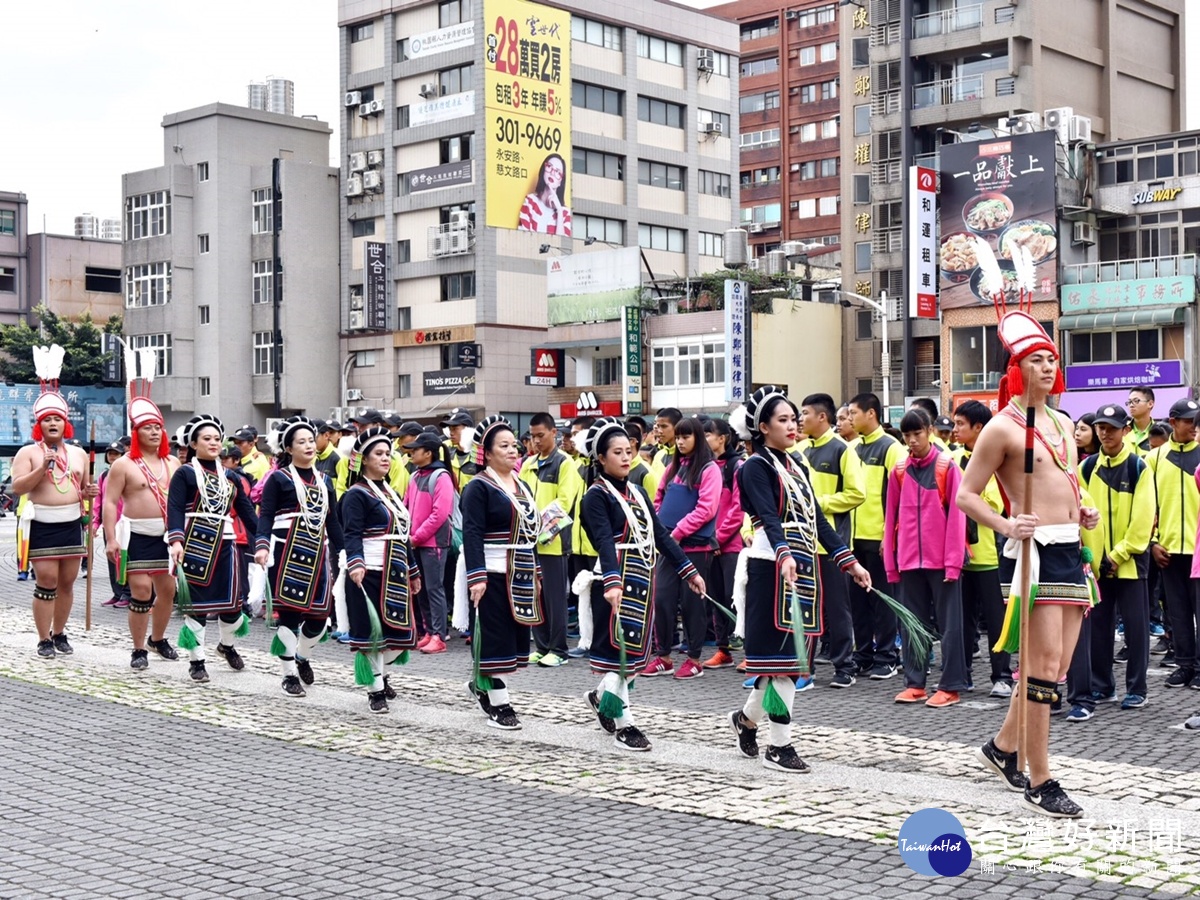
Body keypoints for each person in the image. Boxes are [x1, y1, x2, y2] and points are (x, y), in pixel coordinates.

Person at [957, 310, 1100, 818]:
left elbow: (1067, 480)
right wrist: (1004, 524)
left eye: (1050, 359)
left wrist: (1083, 509)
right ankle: (1040, 779)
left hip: (1070, 551)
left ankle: (1001, 748)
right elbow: (966, 496)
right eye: (1036, 359)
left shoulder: (1062, 422)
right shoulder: (1001, 427)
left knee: (1057, 668)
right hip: (1032, 554)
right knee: (1039, 670)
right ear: (1017, 369)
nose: (1046, 366)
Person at [729, 386, 872, 773]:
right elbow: (768, 517)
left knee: (789, 662)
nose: (793, 426)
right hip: (771, 567)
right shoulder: (755, 467)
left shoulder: (796, 464)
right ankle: (780, 746)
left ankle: (745, 721)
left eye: (794, 419)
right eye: (783, 420)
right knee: (782, 664)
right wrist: (784, 552)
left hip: (802, 565)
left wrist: (849, 561)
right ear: (762, 427)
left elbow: (819, 521)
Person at [578, 418, 702, 751]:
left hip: (642, 578)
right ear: (601, 459)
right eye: (616, 452)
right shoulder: (595, 496)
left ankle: (602, 697)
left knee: (636, 654)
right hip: (615, 581)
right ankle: (624, 723)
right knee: (623, 654)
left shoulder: (637, 491)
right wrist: (613, 582)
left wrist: (688, 571)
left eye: (628, 451)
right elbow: (604, 540)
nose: (624, 457)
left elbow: (660, 535)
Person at [11, 345, 97, 659]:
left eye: (57, 420)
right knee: (46, 580)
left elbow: (86, 487)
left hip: (71, 523)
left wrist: (90, 494)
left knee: (67, 582)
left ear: (65, 424)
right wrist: (41, 468)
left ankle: (59, 632)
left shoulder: (77, 453)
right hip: (42, 523)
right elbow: (19, 488)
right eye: (47, 420)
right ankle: (43, 637)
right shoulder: (28, 453)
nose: (52, 424)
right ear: (39, 424)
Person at [460, 416, 544, 730]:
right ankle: (500, 705)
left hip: (519, 572)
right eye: (504, 446)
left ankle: (482, 685)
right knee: (493, 640)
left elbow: (527, 529)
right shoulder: (478, 487)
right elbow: (471, 533)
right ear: (487, 453)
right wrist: (477, 576)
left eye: (514, 444)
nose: (513, 450)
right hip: (492, 573)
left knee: (511, 640)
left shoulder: (520, 484)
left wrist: (535, 568)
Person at [884, 408, 969, 708]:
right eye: (907, 435)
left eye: (917, 433)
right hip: (908, 559)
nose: (912, 440)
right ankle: (915, 683)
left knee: (950, 625)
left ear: (930, 430)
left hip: (942, 560)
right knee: (911, 624)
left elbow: (958, 518)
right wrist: (891, 564)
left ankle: (951, 685)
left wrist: (953, 561)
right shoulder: (899, 470)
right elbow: (890, 516)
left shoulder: (947, 466)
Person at [255, 416, 344, 698]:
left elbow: (334, 522)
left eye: (310, 440)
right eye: (301, 442)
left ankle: (302, 656)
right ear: (288, 449)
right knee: (289, 617)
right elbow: (266, 515)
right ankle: (288, 674)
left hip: (318, 551)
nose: (308, 445)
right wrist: (261, 545)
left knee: (320, 616)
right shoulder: (278, 479)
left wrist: (345, 554)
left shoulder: (326, 481)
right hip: (285, 551)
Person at [167, 416, 260, 683]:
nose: (213, 443)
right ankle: (197, 662)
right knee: (196, 607)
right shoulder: (184, 473)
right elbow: (174, 508)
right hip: (194, 543)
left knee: (232, 608)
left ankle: (226, 645)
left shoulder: (230, 476)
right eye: (206, 439)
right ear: (193, 443)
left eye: (217, 439)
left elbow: (246, 512)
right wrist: (175, 541)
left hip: (227, 545)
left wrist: (267, 537)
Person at [1075, 404, 1153, 713]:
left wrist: (1119, 555)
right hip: (1096, 565)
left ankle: (1137, 688)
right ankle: (1102, 686)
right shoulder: (1086, 468)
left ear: (1125, 430)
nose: (1105, 433)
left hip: (1131, 563)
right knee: (1099, 629)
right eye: (1101, 427)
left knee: (1135, 630)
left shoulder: (1138, 467)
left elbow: (1143, 520)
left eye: (1112, 427)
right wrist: (1095, 558)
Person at [341, 426, 422, 714]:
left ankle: (380, 674)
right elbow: (351, 533)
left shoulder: (391, 493)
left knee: (399, 637)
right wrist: (356, 562)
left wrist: (413, 571)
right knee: (373, 636)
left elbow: (403, 535)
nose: (386, 459)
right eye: (379, 454)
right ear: (364, 459)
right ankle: (375, 688)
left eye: (388, 454)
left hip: (396, 573)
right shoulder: (356, 494)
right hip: (370, 572)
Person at [102, 384, 180, 669]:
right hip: (135, 534)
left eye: (158, 427)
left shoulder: (172, 462)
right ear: (136, 433)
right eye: (147, 428)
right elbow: (109, 503)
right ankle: (138, 649)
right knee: (141, 591)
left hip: (167, 536)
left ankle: (157, 639)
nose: (154, 432)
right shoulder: (123, 464)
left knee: (168, 590)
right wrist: (111, 539)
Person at [643, 417, 719, 680]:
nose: (681, 441)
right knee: (662, 599)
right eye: (678, 437)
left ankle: (694, 659)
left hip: (695, 547)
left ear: (697, 437)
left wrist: (677, 532)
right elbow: (659, 497)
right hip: (668, 546)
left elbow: (706, 508)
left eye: (686, 437)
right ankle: (663, 657)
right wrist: (659, 526)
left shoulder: (709, 469)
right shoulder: (672, 467)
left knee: (692, 605)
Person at [799, 392, 865, 688]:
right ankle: (804, 668)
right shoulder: (798, 451)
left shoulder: (843, 450)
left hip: (834, 545)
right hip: (803, 543)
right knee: (805, 608)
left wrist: (819, 502)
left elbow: (856, 493)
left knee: (838, 608)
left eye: (805, 414)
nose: (800, 420)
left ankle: (844, 667)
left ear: (821, 417)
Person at [951, 401, 1013, 698]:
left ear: (979, 427)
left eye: (961, 423)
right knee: (962, 620)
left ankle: (1002, 675)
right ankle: (961, 675)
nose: (955, 429)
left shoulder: (995, 460)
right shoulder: (951, 460)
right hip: (958, 557)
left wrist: (967, 499)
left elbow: (996, 504)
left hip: (990, 555)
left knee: (997, 620)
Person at [846, 392, 905, 679]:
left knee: (882, 597)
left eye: (854, 413)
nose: (849, 418)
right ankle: (864, 654)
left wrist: (889, 535)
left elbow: (901, 496)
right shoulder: (852, 448)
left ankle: (886, 656)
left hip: (879, 536)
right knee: (857, 600)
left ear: (871, 413)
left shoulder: (891, 447)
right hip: (852, 538)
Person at [518, 412, 583, 668]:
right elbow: (521, 497)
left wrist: (541, 531)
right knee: (535, 595)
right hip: (529, 541)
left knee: (555, 597)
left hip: (553, 542)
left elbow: (564, 503)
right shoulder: (527, 464)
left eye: (540, 436)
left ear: (553, 433)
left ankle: (559, 649)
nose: (535, 441)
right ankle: (542, 645)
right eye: (532, 436)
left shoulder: (564, 464)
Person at [1146, 398, 1200, 690]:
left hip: (1198, 550)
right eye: (1188, 420)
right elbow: (1147, 506)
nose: (1193, 426)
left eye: (1196, 421)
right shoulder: (1154, 458)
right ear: (1173, 421)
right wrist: (1153, 542)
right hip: (1167, 549)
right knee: (1177, 612)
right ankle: (1184, 665)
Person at [403, 430, 457, 654]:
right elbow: (405, 508)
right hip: (416, 542)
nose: (411, 454)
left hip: (433, 542)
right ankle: (428, 631)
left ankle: (439, 634)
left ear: (428, 453)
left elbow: (439, 514)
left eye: (415, 450)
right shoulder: (415, 476)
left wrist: (416, 537)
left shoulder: (441, 477)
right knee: (421, 589)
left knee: (435, 588)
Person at [700, 417, 744, 670]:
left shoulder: (736, 466)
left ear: (722, 438)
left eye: (708, 434)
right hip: (709, 543)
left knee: (737, 598)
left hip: (731, 545)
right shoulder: (705, 467)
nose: (704, 439)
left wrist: (719, 537)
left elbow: (738, 509)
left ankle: (751, 650)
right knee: (715, 598)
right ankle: (722, 649)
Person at [97, 442, 132, 609]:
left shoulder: (129, 470)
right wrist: (95, 523)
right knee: (112, 560)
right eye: (109, 453)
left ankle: (128, 593)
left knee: (125, 558)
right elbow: (100, 501)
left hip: (125, 523)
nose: (112, 456)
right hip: (109, 524)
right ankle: (117, 592)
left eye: (115, 453)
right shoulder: (104, 476)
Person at [517, 153, 571, 235]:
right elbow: (523, 238)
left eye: (558, 172)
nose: (552, 173)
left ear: (560, 182)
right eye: (549, 166)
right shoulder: (530, 201)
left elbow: (562, 246)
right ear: (543, 171)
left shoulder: (566, 213)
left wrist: (559, 211)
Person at [649, 408, 682, 483]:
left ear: (677, 426)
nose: (659, 431)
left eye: (664, 426)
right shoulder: (658, 455)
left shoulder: (686, 456)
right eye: (658, 426)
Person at [1124, 386, 1156, 455]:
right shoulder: (1122, 430)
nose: (1131, 405)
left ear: (1150, 404)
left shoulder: (1160, 432)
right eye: (1129, 402)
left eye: (1136, 401)